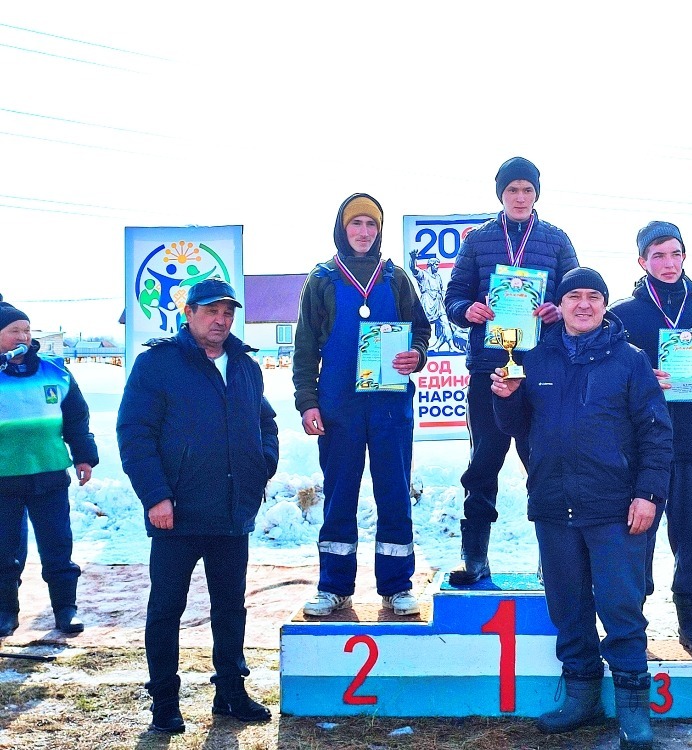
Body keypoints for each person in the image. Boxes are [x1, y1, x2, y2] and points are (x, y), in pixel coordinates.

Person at [493, 267, 672, 750]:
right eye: (574, 296)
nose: (584, 304)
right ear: (561, 304)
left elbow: (657, 431)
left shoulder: (630, 361)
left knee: (621, 606)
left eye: (594, 296)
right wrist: (505, 397)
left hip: (615, 508)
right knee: (568, 607)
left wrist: (649, 494)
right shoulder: (536, 357)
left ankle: (635, 710)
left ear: (605, 305)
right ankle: (582, 699)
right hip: (554, 505)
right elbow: (517, 427)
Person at [117, 278, 278, 733]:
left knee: (231, 607)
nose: (220, 319)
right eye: (210, 311)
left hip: (232, 512)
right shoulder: (158, 364)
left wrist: (261, 465)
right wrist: (156, 496)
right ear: (188, 313)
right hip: (177, 515)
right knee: (167, 608)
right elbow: (134, 434)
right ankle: (164, 701)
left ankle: (230, 692)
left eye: (227, 312)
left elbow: (265, 421)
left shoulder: (246, 366)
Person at [293, 193, 430, 617]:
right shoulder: (321, 280)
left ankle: (396, 586)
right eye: (356, 224)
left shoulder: (397, 279)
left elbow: (422, 331)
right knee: (339, 495)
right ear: (342, 228)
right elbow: (304, 349)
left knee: (394, 494)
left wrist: (417, 356)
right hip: (339, 408)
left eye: (371, 225)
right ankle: (334, 586)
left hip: (390, 406)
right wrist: (307, 402)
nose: (364, 233)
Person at [444, 156, 579, 586]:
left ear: (537, 193)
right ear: (500, 194)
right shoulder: (479, 240)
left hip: (541, 370)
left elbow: (576, 294)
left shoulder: (556, 240)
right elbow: (453, 297)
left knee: (543, 460)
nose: (520, 197)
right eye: (511, 190)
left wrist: (558, 308)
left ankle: (553, 557)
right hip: (489, 368)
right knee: (484, 460)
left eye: (527, 189)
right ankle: (474, 555)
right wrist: (470, 309)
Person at [610, 221, 692, 659]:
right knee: (636, 535)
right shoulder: (624, 313)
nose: (667, 262)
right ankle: (631, 619)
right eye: (657, 255)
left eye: (674, 253)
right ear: (642, 261)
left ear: (684, 256)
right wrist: (641, 382)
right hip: (641, 448)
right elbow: (610, 378)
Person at [0, 296, 97, 638]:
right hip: (3, 478)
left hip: (49, 472)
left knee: (58, 545)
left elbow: (76, 416)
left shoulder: (53, 370)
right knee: (4, 550)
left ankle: (65, 610)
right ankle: (5, 612)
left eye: (27, 330)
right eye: (14, 331)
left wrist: (84, 455)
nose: (23, 336)